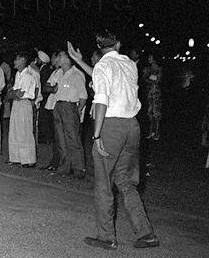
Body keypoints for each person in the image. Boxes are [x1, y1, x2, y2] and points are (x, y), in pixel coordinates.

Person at [82, 30, 159, 250]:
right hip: (132, 126)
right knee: (126, 182)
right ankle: (146, 233)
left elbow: (102, 99)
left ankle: (107, 237)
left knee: (104, 182)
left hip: (111, 126)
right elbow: (104, 75)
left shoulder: (102, 67)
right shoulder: (128, 64)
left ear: (99, 47)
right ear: (118, 44)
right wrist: (79, 61)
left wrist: (96, 134)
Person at [48, 50, 87, 178]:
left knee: (73, 138)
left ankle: (78, 168)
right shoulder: (58, 73)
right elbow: (48, 85)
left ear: (66, 59)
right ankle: (65, 166)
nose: (57, 59)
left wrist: (79, 110)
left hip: (70, 106)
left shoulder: (77, 74)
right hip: (58, 105)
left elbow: (83, 96)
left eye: (60, 56)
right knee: (61, 138)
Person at [6, 51, 38, 167]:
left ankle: (29, 159)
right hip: (17, 103)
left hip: (24, 103)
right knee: (15, 130)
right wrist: (12, 93)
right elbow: (12, 93)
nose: (14, 62)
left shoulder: (28, 76)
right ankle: (16, 157)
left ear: (23, 61)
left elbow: (19, 93)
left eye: (17, 59)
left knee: (24, 131)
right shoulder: (19, 75)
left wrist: (12, 93)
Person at [142, 54, 163, 140]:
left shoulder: (159, 68)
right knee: (150, 113)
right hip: (150, 93)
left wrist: (149, 76)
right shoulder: (148, 69)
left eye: (150, 57)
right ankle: (151, 131)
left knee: (156, 113)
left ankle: (157, 132)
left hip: (156, 94)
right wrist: (148, 77)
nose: (148, 59)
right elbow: (144, 78)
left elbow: (158, 79)